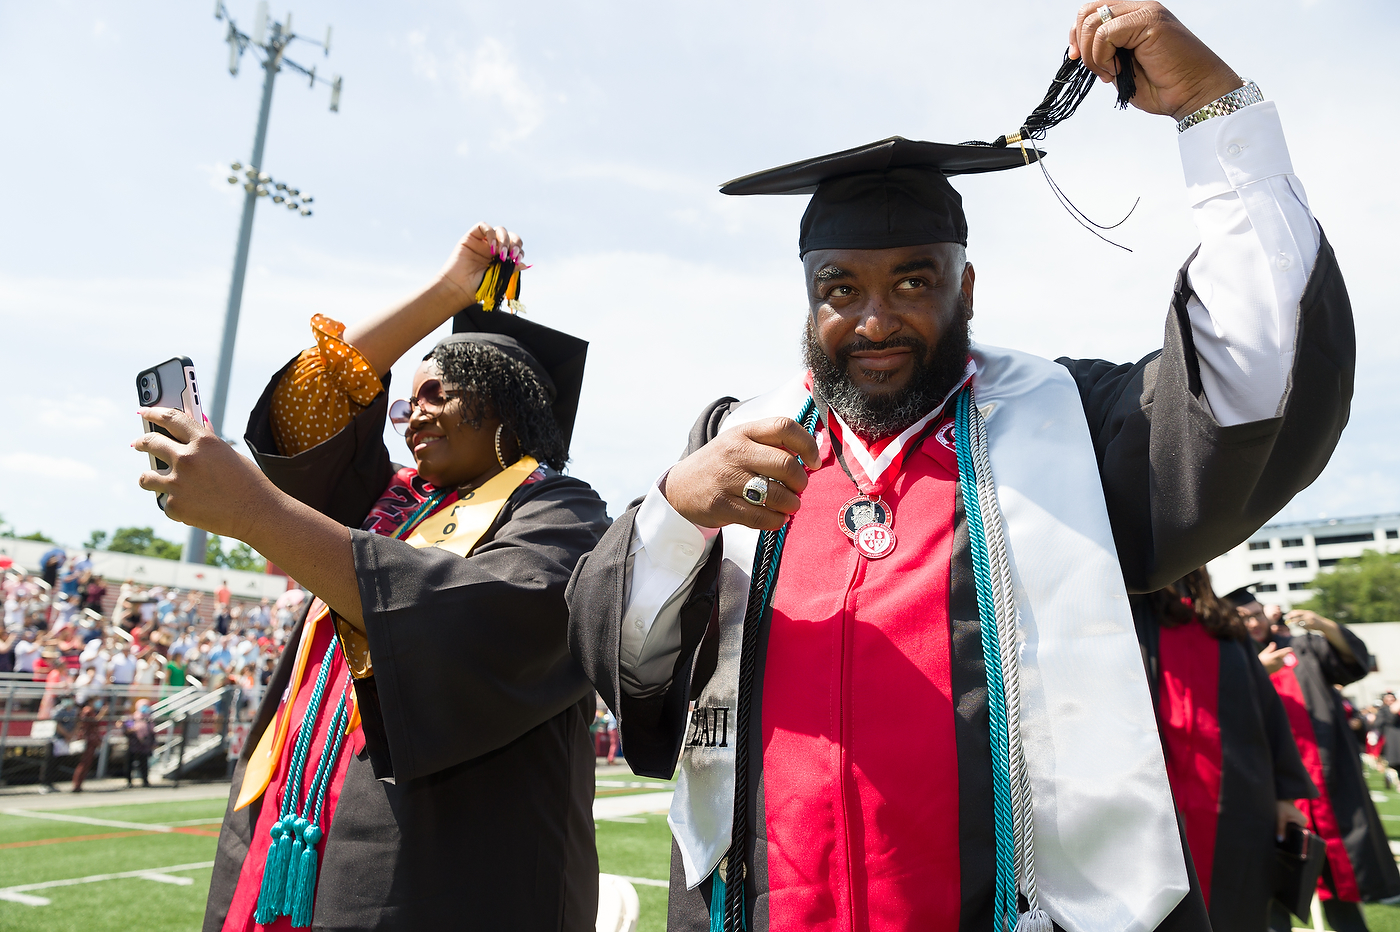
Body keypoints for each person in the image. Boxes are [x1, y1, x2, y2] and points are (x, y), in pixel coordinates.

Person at [566, 5, 1354, 930]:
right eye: (840, 289)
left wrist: (1216, 113)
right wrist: (674, 512)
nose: (874, 320)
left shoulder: (1069, 422)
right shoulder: (735, 443)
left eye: (914, 281)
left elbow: (1251, 380)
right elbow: (621, 655)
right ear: (807, 301)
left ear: (966, 287)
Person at [134, 221, 608, 931]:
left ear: (506, 404)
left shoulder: (560, 512)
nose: (412, 416)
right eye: (406, 403)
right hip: (292, 824)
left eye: (438, 393)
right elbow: (307, 411)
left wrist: (259, 513)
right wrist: (446, 292)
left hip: (440, 867)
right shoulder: (387, 503)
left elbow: (480, 623)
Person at [1135, 568, 1315, 930]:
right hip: (1158, 792)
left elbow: (1268, 711)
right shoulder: (1129, 619)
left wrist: (1285, 796)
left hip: (1237, 793)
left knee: (1236, 905)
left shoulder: (1225, 627)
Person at [1228, 590, 1400, 930]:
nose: (1253, 622)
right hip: (1265, 789)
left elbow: (1352, 664)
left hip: (1326, 779)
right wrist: (1256, 672)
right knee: (1270, 887)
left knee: (1338, 875)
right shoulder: (1227, 655)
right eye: (1243, 617)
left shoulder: (1301, 647)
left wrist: (1324, 625)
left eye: (1257, 614)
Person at [123, 700, 156, 787]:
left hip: (144, 746)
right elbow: (126, 729)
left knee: (144, 763)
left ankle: (145, 781)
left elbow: (152, 733)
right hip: (133, 744)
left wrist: (153, 743)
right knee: (129, 763)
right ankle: (129, 781)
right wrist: (132, 730)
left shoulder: (149, 719)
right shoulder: (132, 718)